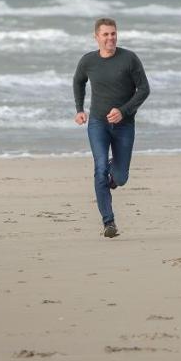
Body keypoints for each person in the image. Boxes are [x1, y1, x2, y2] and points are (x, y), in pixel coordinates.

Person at [73, 18, 150, 238]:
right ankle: (109, 222)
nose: (110, 38)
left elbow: (144, 89)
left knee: (121, 177)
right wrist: (80, 109)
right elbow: (78, 81)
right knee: (99, 170)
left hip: (124, 125)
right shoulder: (88, 61)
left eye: (113, 34)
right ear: (96, 37)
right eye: (105, 34)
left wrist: (123, 111)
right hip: (98, 123)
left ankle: (112, 169)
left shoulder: (129, 59)